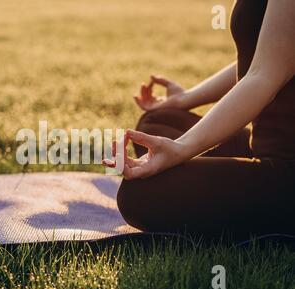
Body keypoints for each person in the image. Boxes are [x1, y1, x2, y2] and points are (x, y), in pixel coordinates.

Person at [103, 0, 295, 240]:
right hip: (260, 147)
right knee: (159, 121)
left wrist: (181, 148)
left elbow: (265, 74)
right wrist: (186, 99)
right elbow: (268, 54)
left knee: (140, 194)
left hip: (287, 170)